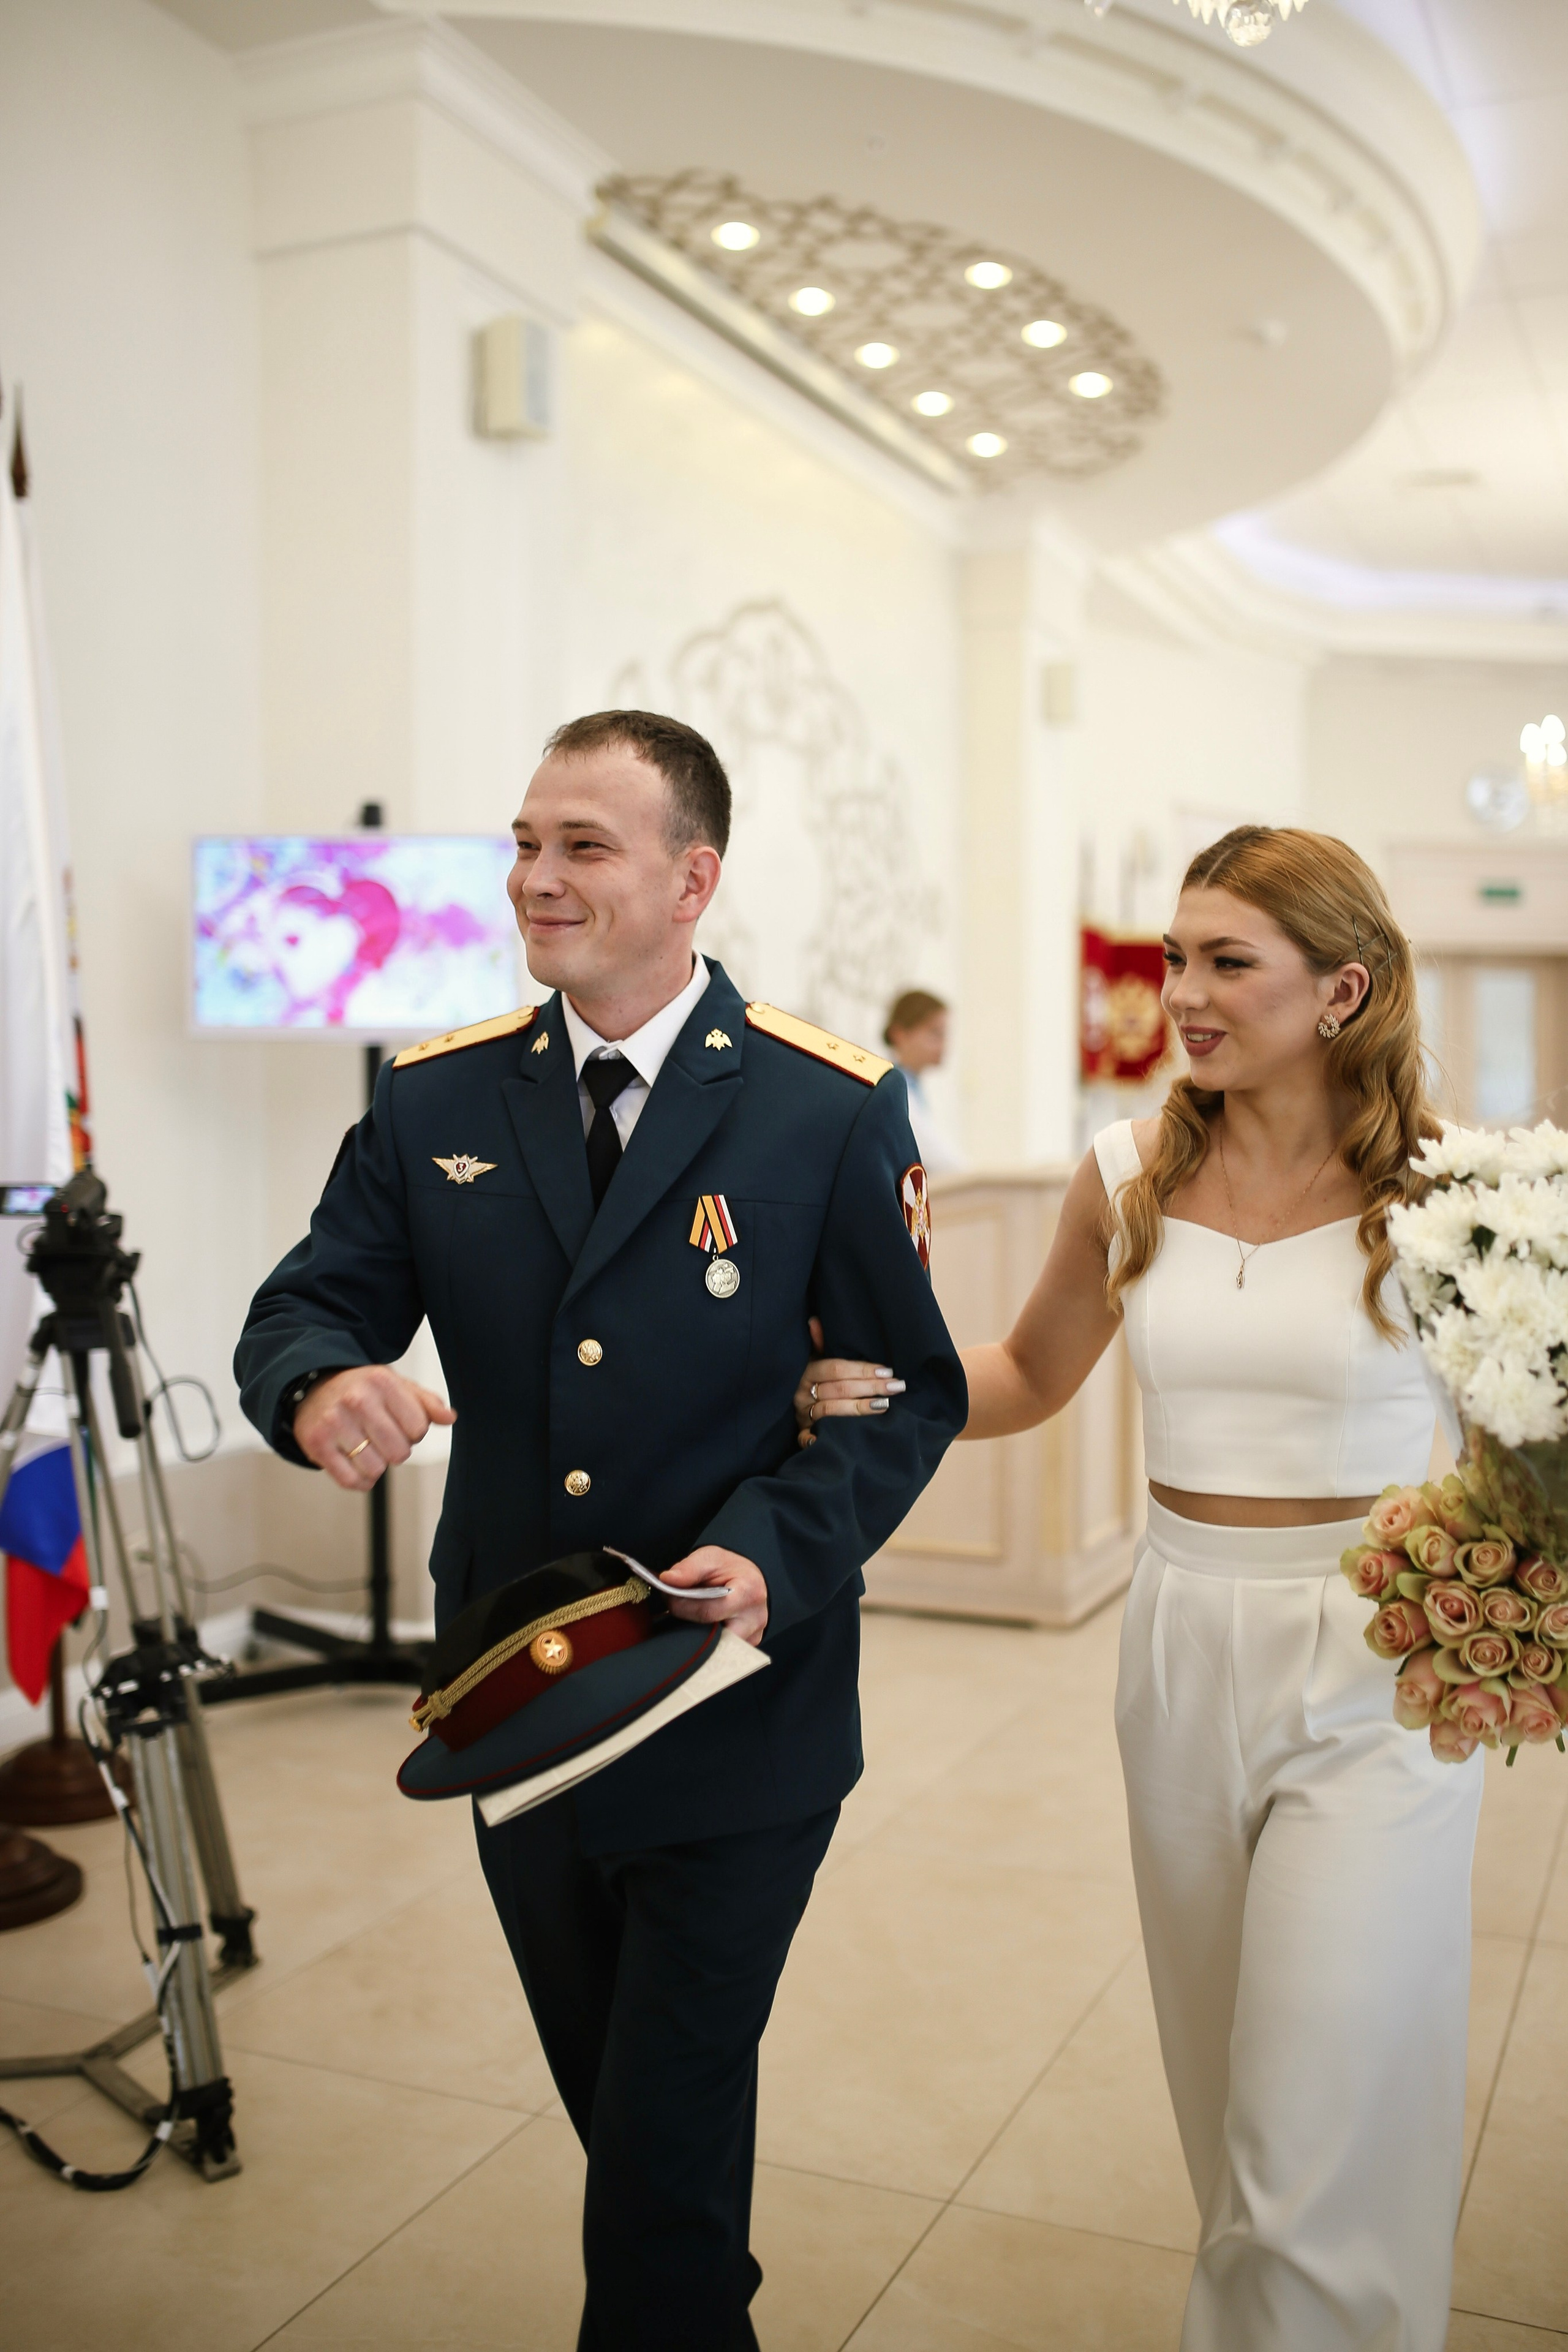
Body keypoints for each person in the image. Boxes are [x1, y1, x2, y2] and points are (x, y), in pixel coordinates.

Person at [234, 710, 966, 2352]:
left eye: (582, 846)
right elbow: (303, 1308)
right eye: (524, 843)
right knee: (627, 2117)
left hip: (734, 1705)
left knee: (656, 2156)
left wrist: (774, 1546)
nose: (535, 878)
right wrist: (323, 1381)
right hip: (520, 1696)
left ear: (693, 880)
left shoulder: (825, 1107)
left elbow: (904, 1393)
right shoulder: (434, 1099)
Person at [798, 826, 1482, 2352]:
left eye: (1224, 961)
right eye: (1174, 956)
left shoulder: (1447, 1196)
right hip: (1176, 1644)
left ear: (1341, 989)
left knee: (1313, 2110)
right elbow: (1025, 1372)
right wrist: (861, 1381)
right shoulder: (1126, 1174)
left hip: (1374, 1664)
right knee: (1226, 2087)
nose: (1177, 992)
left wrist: (1503, 1623)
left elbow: (1521, 1454)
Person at [884, 987, 962, 1174]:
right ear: (899, 1034)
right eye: (935, 1033)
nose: (944, 1044)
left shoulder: (914, 1087)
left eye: (945, 1034)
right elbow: (933, 1155)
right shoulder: (890, 1090)